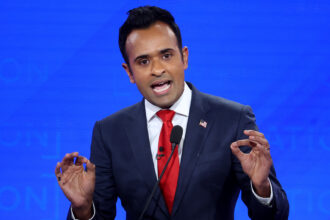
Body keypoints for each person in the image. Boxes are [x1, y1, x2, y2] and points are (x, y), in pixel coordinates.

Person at [55, 6, 289, 220]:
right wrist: (83, 209)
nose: (158, 69)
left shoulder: (232, 119)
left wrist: (262, 187)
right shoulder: (109, 132)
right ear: (129, 72)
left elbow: (274, 217)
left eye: (166, 56)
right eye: (143, 61)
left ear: (184, 57)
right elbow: (101, 213)